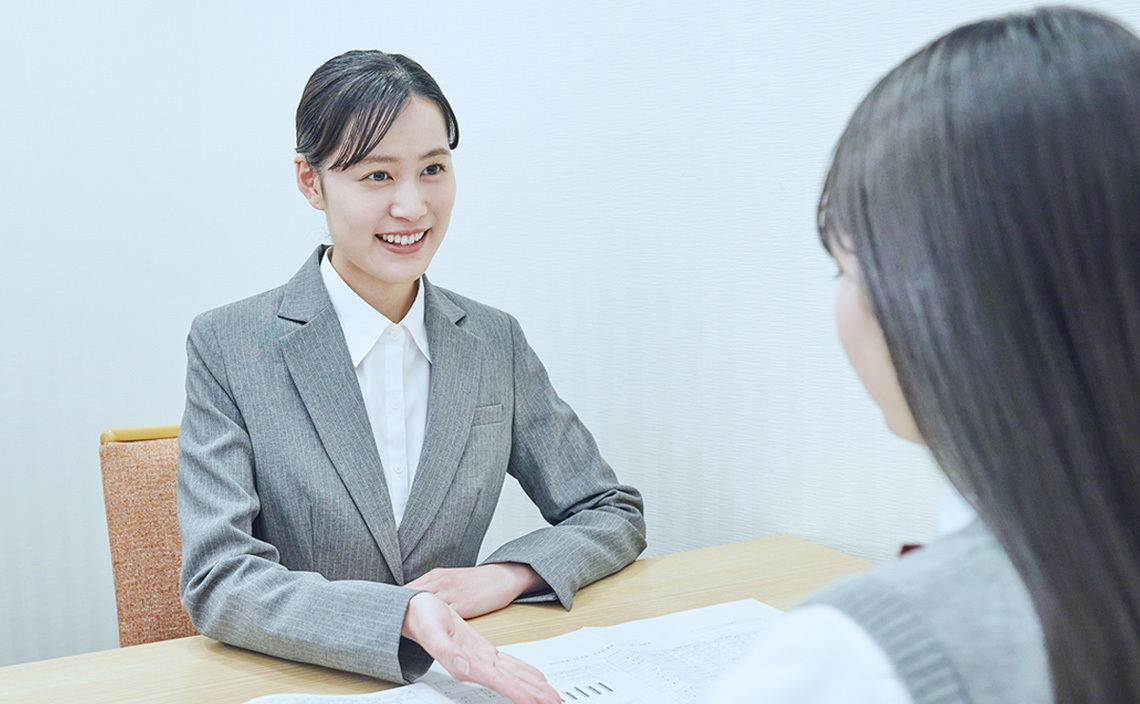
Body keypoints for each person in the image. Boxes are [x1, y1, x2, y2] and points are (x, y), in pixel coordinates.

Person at [177, 50, 646, 704]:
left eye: (432, 168)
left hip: (461, 683)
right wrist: (397, 616)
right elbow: (218, 577)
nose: (412, 206)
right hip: (295, 685)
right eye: (376, 175)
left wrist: (505, 575)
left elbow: (610, 510)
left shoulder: (492, 341)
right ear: (310, 182)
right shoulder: (230, 345)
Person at [705, 7, 1140, 704]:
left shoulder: (858, 656)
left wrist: (519, 570)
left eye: (843, 267)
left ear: (934, 293)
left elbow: (606, 506)